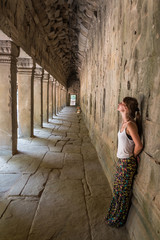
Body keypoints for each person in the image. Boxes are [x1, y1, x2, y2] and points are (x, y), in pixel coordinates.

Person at [105, 96, 143, 227]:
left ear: (125, 108)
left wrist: (131, 157)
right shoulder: (124, 124)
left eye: (121, 103)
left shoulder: (131, 125)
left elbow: (139, 145)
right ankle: (114, 215)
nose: (119, 104)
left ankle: (118, 220)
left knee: (123, 192)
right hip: (122, 162)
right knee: (117, 189)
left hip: (127, 163)